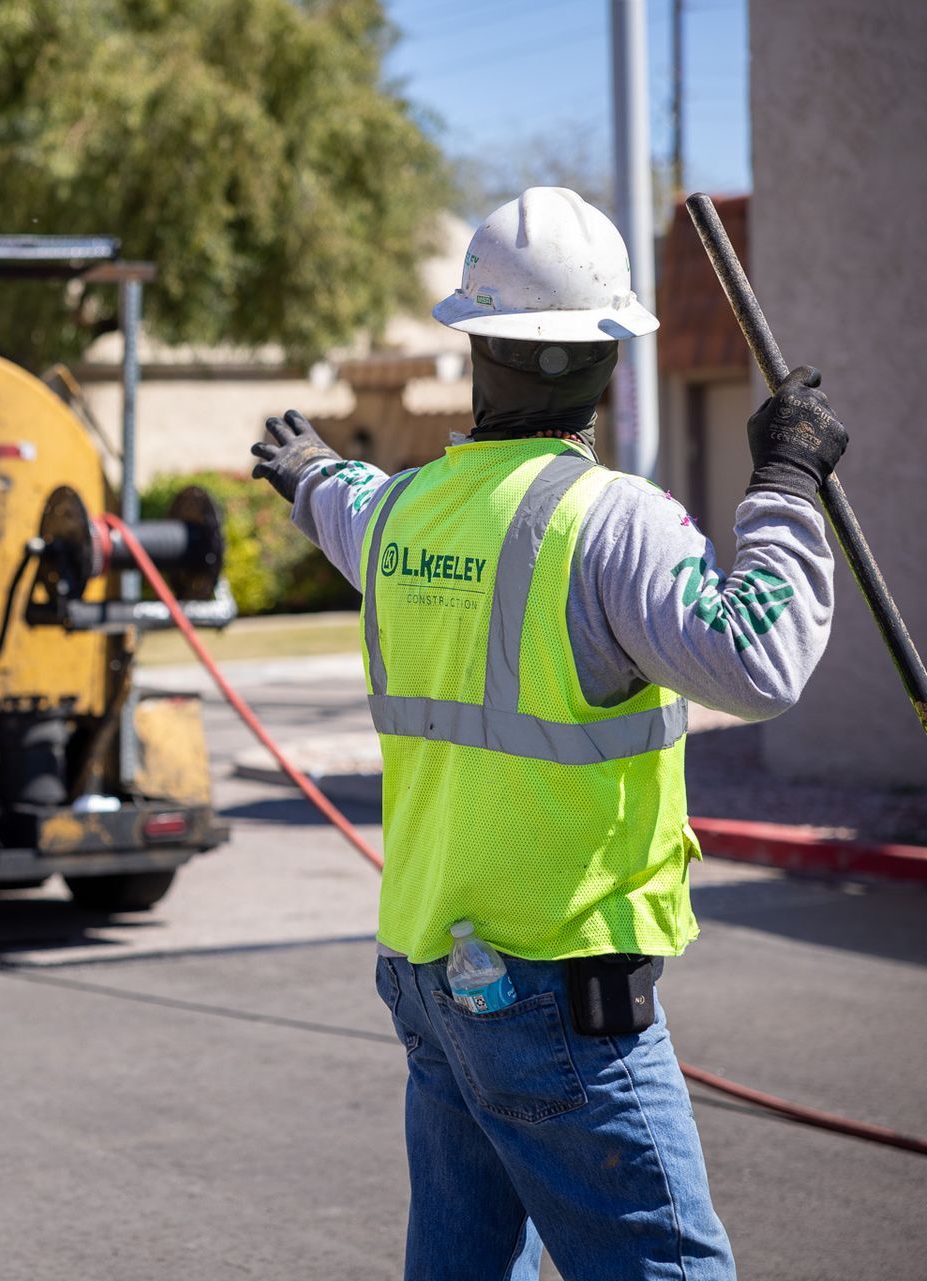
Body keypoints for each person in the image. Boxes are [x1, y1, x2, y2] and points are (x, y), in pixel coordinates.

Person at [251, 186, 847, 1281]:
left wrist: (305, 470)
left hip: (433, 973)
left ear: (474, 340)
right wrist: (787, 483)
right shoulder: (615, 523)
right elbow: (757, 659)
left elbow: (342, 497)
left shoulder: (400, 516)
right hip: (559, 986)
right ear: (609, 357)